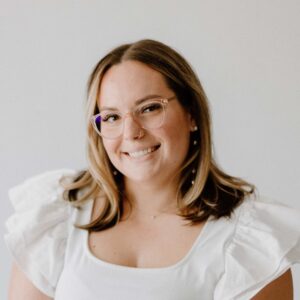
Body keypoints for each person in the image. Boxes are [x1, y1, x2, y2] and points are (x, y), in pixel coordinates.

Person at [5, 39, 300, 300]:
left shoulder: (249, 242)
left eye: (149, 108)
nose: (131, 132)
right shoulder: (59, 214)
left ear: (191, 114)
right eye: (111, 117)